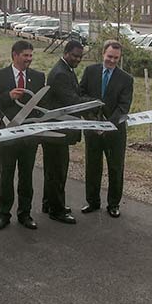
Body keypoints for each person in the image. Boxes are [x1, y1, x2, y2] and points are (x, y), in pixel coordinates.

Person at [0, 40, 50, 230]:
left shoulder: (39, 77)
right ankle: (3, 214)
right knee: (6, 176)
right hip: (7, 136)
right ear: (15, 55)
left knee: (27, 177)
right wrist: (8, 96)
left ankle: (25, 214)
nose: (29, 59)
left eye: (31, 56)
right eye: (25, 55)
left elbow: (42, 107)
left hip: (29, 138)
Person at [41, 40, 94, 224]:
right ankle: (57, 210)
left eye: (80, 57)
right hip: (57, 131)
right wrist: (94, 103)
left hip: (55, 130)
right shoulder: (60, 74)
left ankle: (49, 203)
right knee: (58, 170)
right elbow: (72, 102)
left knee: (52, 169)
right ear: (65, 53)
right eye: (74, 56)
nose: (77, 59)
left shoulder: (66, 70)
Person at [80, 40, 134, 218]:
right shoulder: (90, 71)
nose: (112, 61)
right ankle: (92, 202)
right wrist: (92, 120)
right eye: (109, 56)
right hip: (92, 129)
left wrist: (107, 126)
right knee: (92, 166)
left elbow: (123, 107)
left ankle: (113, 204)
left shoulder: (126, 79)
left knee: (115, 168)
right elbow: (81, 96)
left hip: (115, 132)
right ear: (103, 53)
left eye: (116, 58)